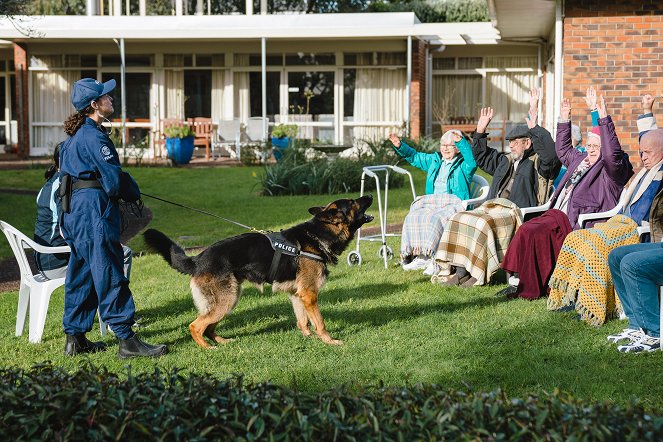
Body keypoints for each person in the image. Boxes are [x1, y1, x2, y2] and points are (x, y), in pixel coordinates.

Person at [58, 77, 166, 358]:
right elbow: (114, 182)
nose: (111, 99)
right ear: (94, 105)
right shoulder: (94, 137)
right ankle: (127, 341)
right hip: (92, 211)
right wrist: (133, 190)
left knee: (81, 272)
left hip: (74, 211)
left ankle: (76, 338)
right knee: (108, 270)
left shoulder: (76, 135)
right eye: (106, 97)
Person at [499, 93, 633, 300]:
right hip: (556, 212)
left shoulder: (611, 171)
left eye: (596, 147)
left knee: (533, 231)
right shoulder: (580, 159)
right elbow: (562, 150)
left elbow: (612, 154)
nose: (590, 150)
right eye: (588, 145)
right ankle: (518, 279)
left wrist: (601, 116)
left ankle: (530, 285)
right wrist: (564, 118)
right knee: (527, 228)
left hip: (576, 219)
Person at [433, 88, 561, 287]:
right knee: (459, 217)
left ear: (527, 143)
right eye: (509, 142)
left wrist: (535, 125)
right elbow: (482, 157)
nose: (510, 146)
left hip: (517, 213)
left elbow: (552, 155)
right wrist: (481, 130)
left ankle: (478, 274)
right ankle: (461, 271)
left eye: (514, 142)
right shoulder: (506, 160)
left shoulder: (539, 165)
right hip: (493, 208)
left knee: (481, 224)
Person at [548, 111, 663, 327]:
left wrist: (600, 115)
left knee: (596, 243)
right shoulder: (644, 171)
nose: (643, 157)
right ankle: (573, 296)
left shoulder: (658, 172)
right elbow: (649, 137)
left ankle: (597, 306)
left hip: (637, 229)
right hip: (618, 222)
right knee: (577, 238)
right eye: (641, 152)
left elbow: (615, 152)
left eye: (648, 152)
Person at [34, 144, 133, 281]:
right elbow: (66, 230)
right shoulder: (62, 187)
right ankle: (117, 301)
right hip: (58, 263)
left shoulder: (48, 185)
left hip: (45, 261)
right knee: (123, 253)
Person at [389, 130, 476, 275]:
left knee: (435, 220)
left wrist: (461, 142)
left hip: (453, 203)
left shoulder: (464, 166)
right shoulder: (434, 161)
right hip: (433, 202)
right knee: (413, 216)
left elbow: (472, 161)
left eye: (450, 145)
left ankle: (435, 259)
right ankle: (421, 256)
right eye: (443, 145)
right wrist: (400, 146)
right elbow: (414, 157)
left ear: (457, 148)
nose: (445, 148)